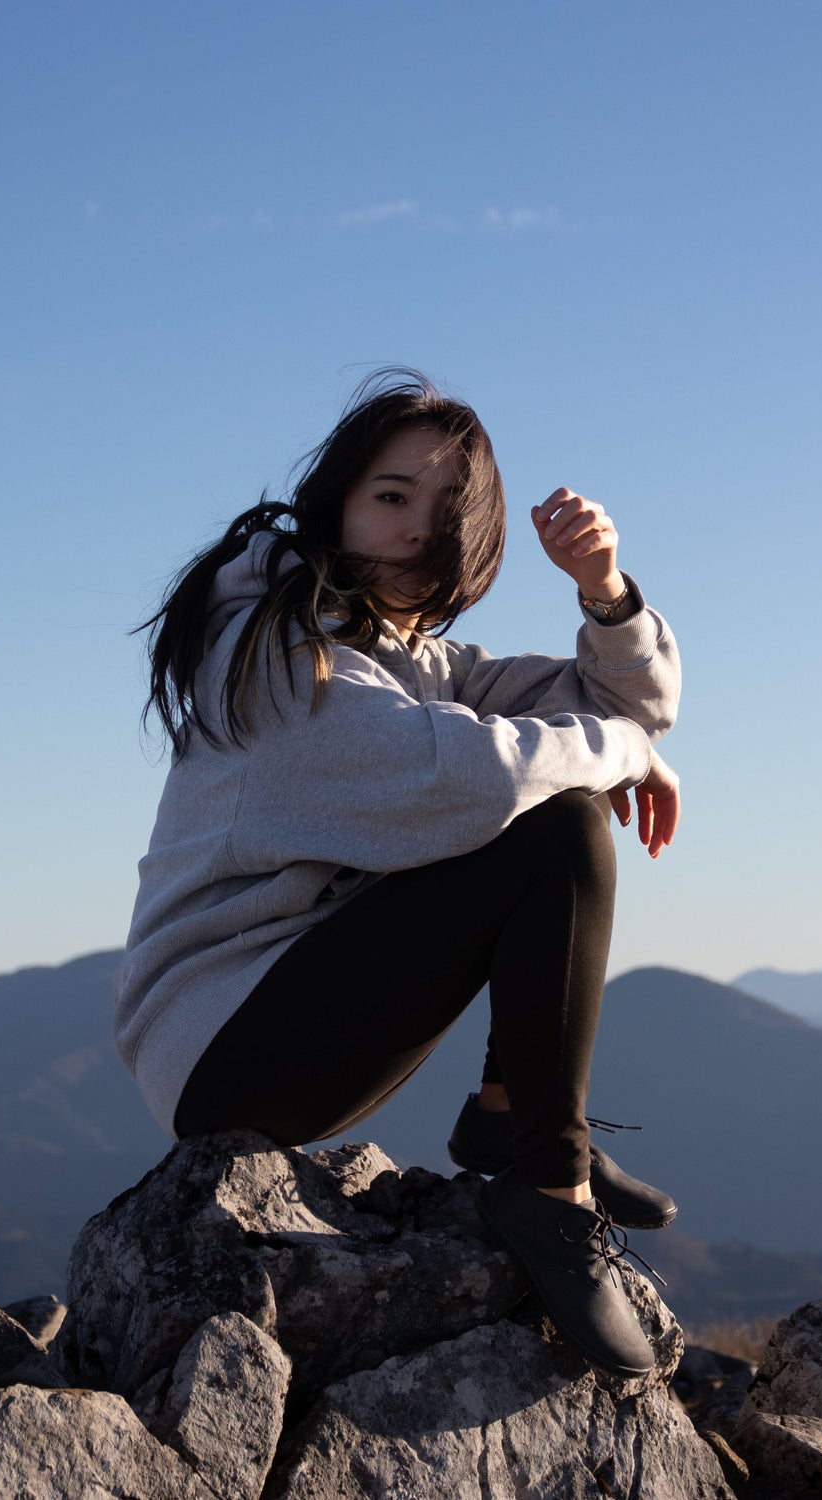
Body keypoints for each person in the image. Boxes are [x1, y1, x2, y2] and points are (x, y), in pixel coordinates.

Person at [115, 368, 683, 1377]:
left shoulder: (416, 660)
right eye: (392, 496)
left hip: (301, 1015)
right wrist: (627, 755)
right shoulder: (275, 651)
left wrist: (604, 591)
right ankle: (550, 1188)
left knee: (561, 809)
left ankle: (518, 1124)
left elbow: (618, 703)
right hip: (224, 1046)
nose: (417, 529)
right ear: (337, 499)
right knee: (557, 825)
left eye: (443, 509)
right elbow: (464, 774)